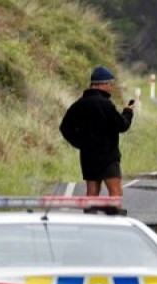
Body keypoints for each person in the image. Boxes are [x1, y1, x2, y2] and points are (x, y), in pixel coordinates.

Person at [60, 66, 134, 199]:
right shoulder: (106, 105)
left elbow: (65, 128)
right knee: (116, 193)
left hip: (88, 156)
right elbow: (122, 125)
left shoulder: (79, 105)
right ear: (102, 84)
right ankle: (115, 219)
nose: (111, 87)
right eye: (110, 84)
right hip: (108, 157)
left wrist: (81, 143)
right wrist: (128, 112)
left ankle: (90, 218)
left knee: (92, 193)